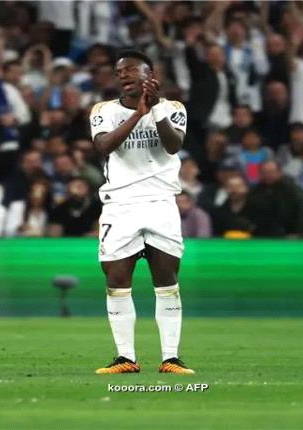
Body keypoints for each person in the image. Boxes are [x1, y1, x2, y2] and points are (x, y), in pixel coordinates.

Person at [90, 50, 193, 374]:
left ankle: (171, 358)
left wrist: (155, 108)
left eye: (131, 69)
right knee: (116, 279)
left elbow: (173, 145)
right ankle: (125, 358)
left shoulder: (174, 109)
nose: (123, 74)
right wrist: (138, 114)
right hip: (120, 204)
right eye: (119, 71)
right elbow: (104, 146)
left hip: (161, 202)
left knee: (167, 280)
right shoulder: (104, 110)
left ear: (151, 74)